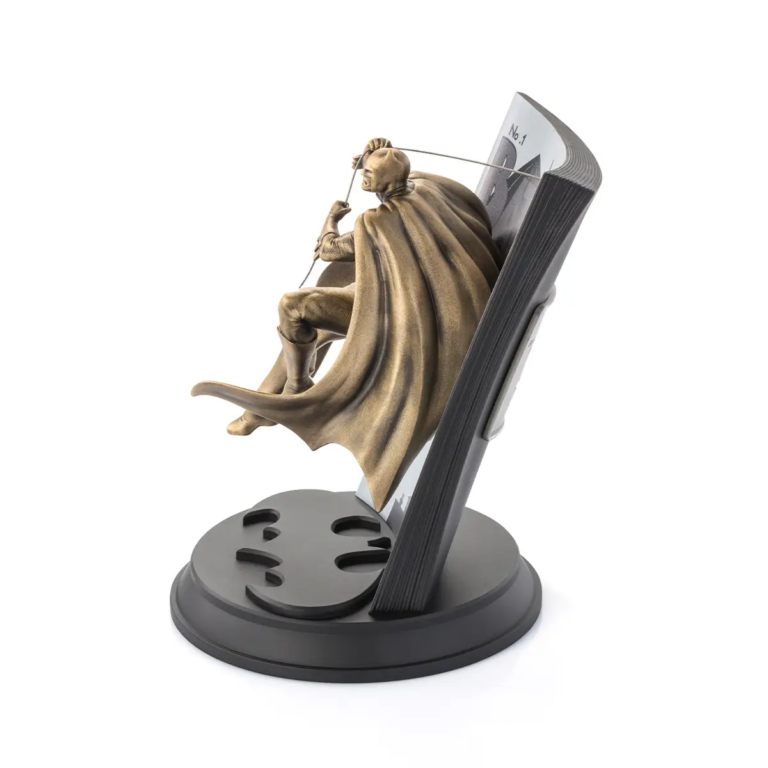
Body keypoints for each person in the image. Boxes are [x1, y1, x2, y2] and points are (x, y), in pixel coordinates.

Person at [194, 139, 502, 510]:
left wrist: (331, 218)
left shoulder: (374, 223)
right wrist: (378, 156)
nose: (362, 178)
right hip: (404, 293)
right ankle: (259, 412)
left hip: (395, 316)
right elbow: (406, 174)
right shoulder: (428, 190)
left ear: (385, 181)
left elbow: (327, 250)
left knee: (294, 307)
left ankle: (296, 386)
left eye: (368, 174)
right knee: (315, 327)